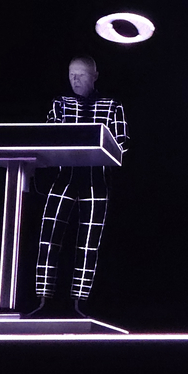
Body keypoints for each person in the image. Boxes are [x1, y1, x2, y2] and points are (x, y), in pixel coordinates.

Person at [31, 55, 128, 316]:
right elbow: (48, 136)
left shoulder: (111, 106)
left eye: (81, 74)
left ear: (94, 76)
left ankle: (80, 302)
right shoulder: (60, 104)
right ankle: (43, 299)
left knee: (89, 243)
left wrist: (97, 146)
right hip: (64, 177)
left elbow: (122, 144)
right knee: (48, 237)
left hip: (96, 179)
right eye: (71, 74)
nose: (75, 80)